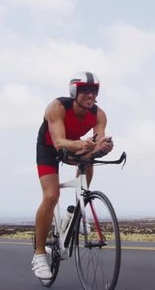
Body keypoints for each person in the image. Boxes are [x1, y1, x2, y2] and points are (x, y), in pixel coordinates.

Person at [31, 71, 114, 280]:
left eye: (94, 91)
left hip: (75, 146)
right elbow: (59, 142)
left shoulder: (99, 114)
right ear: (74, 92)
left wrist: (103, 147)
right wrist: (82, 144)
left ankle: (75, 213)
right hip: (49, 148)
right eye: (85, 90)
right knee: (51, 197)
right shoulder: (57, 107)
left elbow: (97, 144)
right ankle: (39, 254)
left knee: (88, 160)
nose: (90, 95)